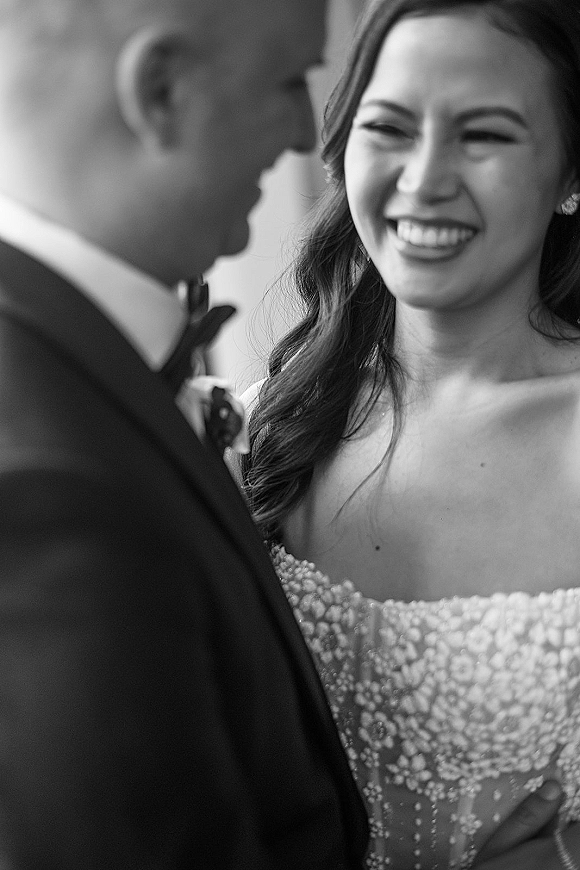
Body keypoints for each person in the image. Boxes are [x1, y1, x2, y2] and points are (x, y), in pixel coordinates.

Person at [0, 0, 376, 867]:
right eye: (289, 81)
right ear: (161, 90)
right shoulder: (47, 483)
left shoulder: (78, 363)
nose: (301, 134)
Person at [241, 0, 580, 867]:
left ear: (572, 176)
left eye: (485, 136)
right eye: (388, 125)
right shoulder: (274, 416)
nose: (424, 179)